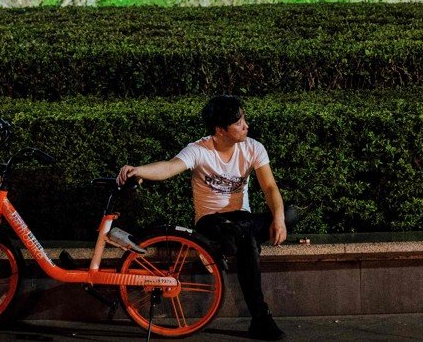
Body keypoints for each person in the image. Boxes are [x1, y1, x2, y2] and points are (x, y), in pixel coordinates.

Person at [117, 95, 294, 341]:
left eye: (243, 119)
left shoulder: (253, 147)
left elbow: (270, 188)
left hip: (241, 221)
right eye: (238, 122)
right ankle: (261, 318)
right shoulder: (200, 150)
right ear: (220, 130)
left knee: (288, 214)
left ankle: (230, 244)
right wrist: (139, 171)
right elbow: (170, 167)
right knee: (247, 242)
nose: (246, 125)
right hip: (211, 222)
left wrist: (279, 220)